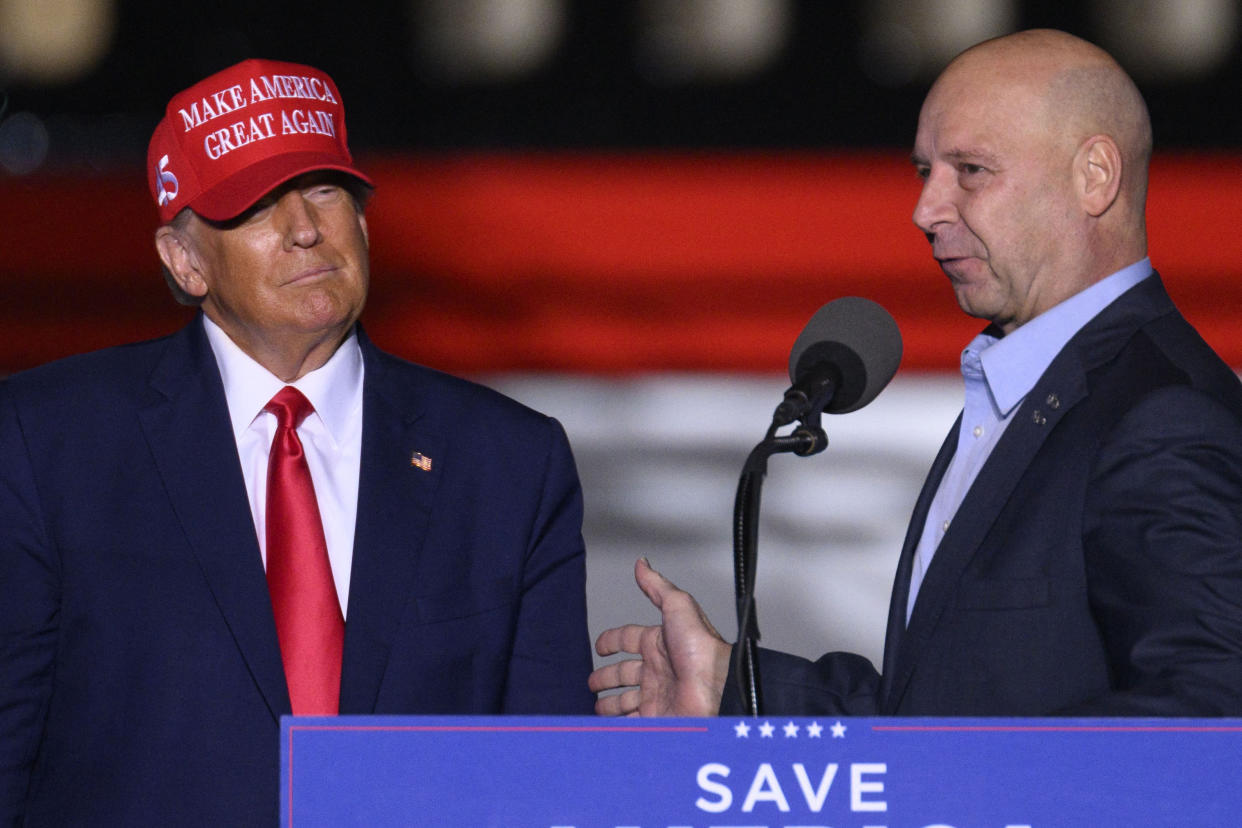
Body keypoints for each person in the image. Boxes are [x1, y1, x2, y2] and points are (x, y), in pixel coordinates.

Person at [0, 59, 594, 825]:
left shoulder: (508, 460)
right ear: (184, 262)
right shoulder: (47, 442)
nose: (305, 228)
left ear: (366, 225)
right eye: (255, 205)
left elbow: (545, 777)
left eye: (324, 190)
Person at [590, 29, 1242, 719]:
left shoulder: (1160, 417)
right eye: (923, 171)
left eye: (971, 171)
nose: (925, 210)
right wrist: (735, 686)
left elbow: (1210, 723)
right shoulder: (1026, 391)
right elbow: (943, 717)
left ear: (1095, 176)